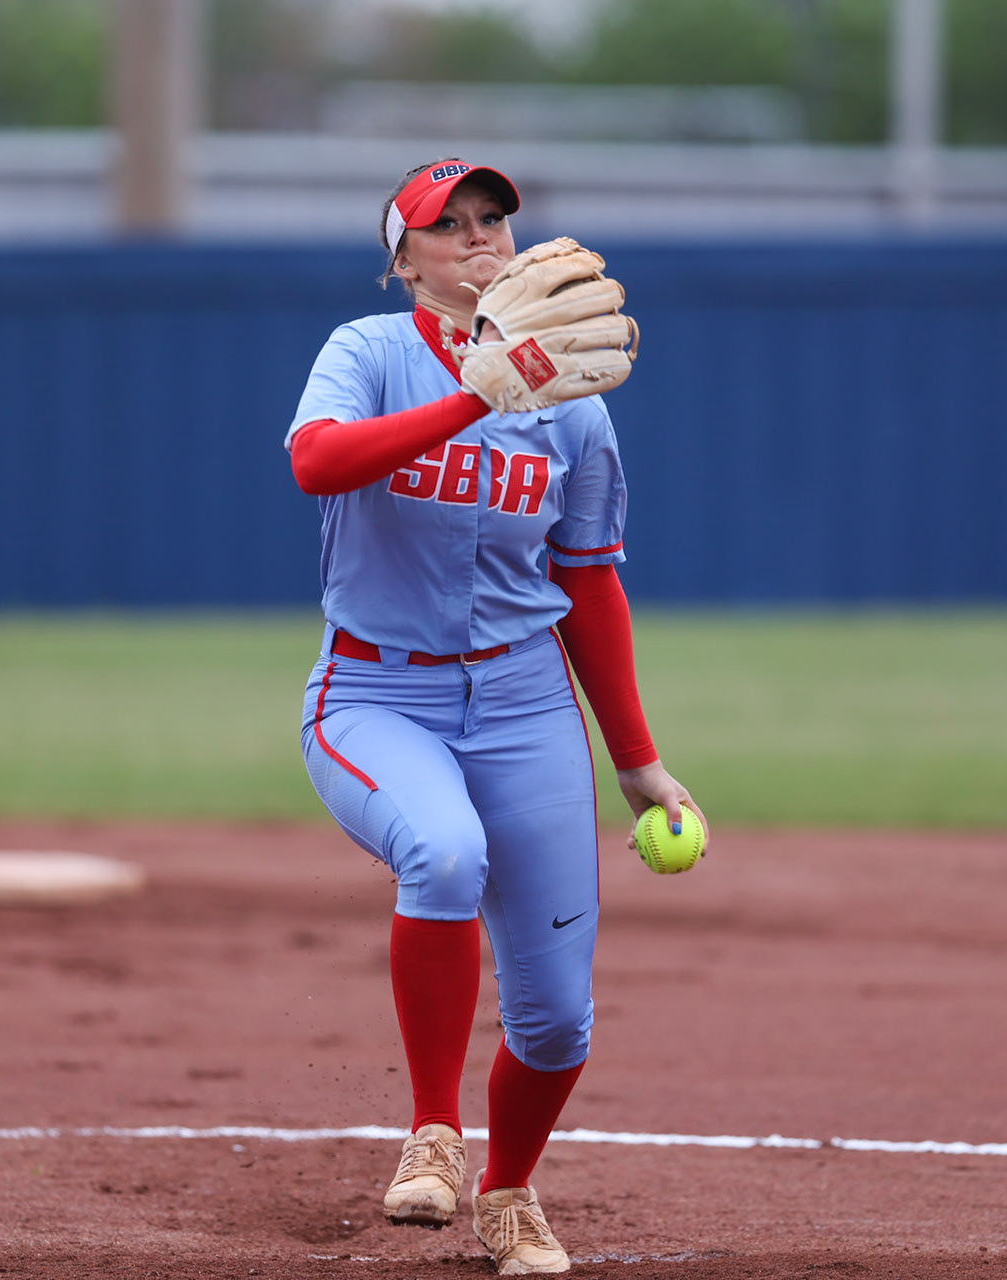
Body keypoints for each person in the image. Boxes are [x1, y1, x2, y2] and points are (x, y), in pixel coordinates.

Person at [284, 158, 707, 1276]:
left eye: (492, 220)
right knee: (443, 850)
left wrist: (639, 762)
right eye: (448, 225)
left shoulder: (574, 401)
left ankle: (511, 1193)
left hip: (524, 700)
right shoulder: (365, 353)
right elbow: (318, 466)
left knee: (560, 1019)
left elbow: (591, 584)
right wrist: (481, 392)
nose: (478, 237)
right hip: (376, 692)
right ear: (403, 257)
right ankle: (434, 1131)